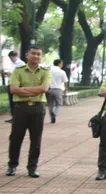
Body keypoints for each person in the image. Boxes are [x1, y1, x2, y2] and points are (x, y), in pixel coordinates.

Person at [6, 45, 49, 177]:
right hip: (21, 108)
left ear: (41, 57)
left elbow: (44, 89)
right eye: (33, 53)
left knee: (36, 139)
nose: (36, 56)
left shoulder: (45, 71)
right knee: (16, 138)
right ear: (27, 55)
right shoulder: (18, 71)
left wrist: (24, 90)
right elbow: (13, 89)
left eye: (38, 54)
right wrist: (34, 90)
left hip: (38, 108)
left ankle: (32, 167)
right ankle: (12, 165)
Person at [3, 50, 25, 124]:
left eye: (11, 58)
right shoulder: (11, 64)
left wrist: (11, 73)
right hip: (10, 83)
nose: (11, 59)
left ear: (15, 56)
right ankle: (13, 117)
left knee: (16, 101)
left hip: (17, 84)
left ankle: (19, 117)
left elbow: (22, 74)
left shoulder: (21, 64)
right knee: (11, 101)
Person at [47, 58, 68, 123]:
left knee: (50, 104)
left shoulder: (48, 70)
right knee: (59, 104)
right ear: (59, 64)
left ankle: (51, 117)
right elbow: (65, 82)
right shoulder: (62, 72)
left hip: (49, 89)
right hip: (58, 89)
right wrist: (65, 90)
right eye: (61, 64)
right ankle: (55, 114)